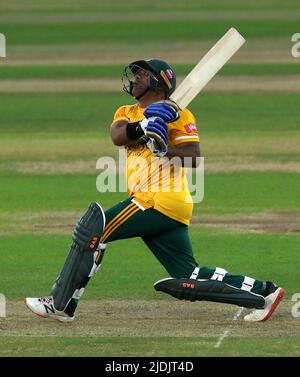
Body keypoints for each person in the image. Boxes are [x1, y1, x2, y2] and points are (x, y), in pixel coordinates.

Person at [24, 59, 284, 323]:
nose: (134, 78)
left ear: (159, 82)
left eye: (142, 74)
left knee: (93, 231)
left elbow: (193, 157)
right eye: (134, 74)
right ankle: (265, 292)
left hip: (159, 198)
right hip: (162, 205)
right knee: (189, 276)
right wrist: (144, 128)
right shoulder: (127, 111)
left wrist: (164, 150)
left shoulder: (180, 114)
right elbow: (117, 136)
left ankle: (61, 303)